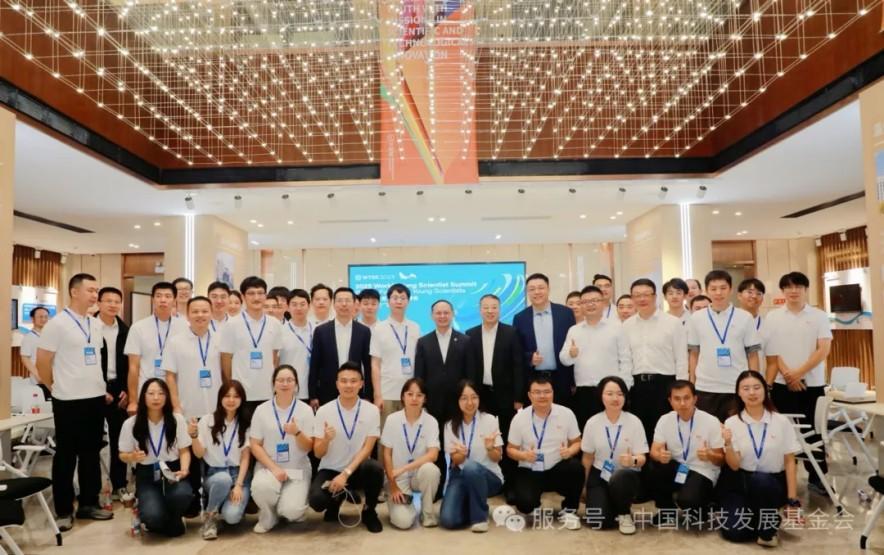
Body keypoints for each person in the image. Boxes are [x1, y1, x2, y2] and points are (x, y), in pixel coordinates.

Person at [37, 273, 114, 530]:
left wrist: (100, 388)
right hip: (68, 400)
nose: (95, 295)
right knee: (66, 456)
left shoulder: (94, 324)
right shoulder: (57, 324)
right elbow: (43, 361)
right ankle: (63, 509)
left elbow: (95, 361)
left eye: (96, 290)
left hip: (94, 398)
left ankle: (88, 503)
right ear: (74, 291)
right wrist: (53, 387)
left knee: (91, 453)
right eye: (90, 290)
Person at [765, 271, 832, 496]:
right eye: (789, 287)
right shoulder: (773, 317)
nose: (793, 291)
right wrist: (788, 375)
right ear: (782, 291)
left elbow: (823, 349)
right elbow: (771, 351)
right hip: (781, 383)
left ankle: (818, 478)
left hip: (812, 384)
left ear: (805, 290)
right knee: (780, 432)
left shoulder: (819, 316)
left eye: (798, 287)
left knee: (814, 431)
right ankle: (782, 478)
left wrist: (799, 373)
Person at [720, 370, 801, 547]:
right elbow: (734, 466)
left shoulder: (781, 421)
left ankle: (767, 526)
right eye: (746, 388)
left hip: (772, 483)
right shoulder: (732, 423)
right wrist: (728, 444)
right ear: (739, 393)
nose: (752, 393)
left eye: (757, 387)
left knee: (761, 481)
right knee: (734, 532)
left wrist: (792, 500)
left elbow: (790, 462)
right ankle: (762, 518)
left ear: (765, 390)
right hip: (742, 482)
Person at [309, 362, 385, 533]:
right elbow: (318, 453)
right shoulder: (324, 411)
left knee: (374, 468)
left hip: (357, 470)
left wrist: (345, 474)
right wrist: (326, 439)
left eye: (353, 381)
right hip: (331, 469)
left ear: (361, 384)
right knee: (317, 501)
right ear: (337, 384)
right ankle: (337, 498)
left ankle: (369, 511)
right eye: (343, 381)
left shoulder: (371, 411)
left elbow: (367, 448)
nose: (348, 385)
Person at [164, 296, 223, 514]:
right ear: (187, 315)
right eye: (195, 311)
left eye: (204, 311)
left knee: (213, 456)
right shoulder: (176, 342)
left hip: (215, 410)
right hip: (188, 410)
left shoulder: (220, 339)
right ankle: (192, 502)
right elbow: (170, 376)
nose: (200, 315)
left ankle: (213, 501)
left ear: (211, 313)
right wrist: (176, 406)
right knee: (191, 457)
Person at [506, 377, 583, 530]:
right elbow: (510, 449)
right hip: (530, 469)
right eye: (537, 392)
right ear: (529, 395)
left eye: (547, 392)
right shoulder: (519, 418)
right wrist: (523, 456)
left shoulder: (566, 413)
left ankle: (569, 511)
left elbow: (578, 442)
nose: (542, 396)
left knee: (576, 468)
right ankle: (532, 503)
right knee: (525, 504)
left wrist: (570, 451)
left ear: (553, 393)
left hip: (557, 468)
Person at [118, 378, 192, 537]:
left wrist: (184, 469)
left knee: (183, 495)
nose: (156, 398)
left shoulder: (177, 419)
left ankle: (173, 517)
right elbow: (122, 455)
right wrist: (132, 456)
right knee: (153, 518)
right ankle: (151, 514)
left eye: (161, 393)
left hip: (173, 471)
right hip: (146, 473)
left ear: (167, 397)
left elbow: (184, 450)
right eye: (151, 393)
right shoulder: (131, 423)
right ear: (143, 397)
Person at [465, 294, 523, 492]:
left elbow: (518, 366)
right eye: (486, 307)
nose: (490, 311)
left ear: (499, 309)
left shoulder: (511, 333)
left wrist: (518, 397)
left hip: (505, 394)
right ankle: (484, 478)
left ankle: (509, 484)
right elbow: (469, 368)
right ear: (480, 309)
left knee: (506, 436)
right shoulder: (470, 334)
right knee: (482, 436)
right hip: (480, 395)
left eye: (494, 307)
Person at [688, 270, 761, 422]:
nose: (718, 293)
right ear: (706, 290)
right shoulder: (696, 318)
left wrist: (752, 385)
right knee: (707, 432)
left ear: (731, 289)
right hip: (705, 387)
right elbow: (694, 354)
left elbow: (752, 355)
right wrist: (692, 384)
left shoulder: (745, 317)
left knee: (736, 432)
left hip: (736, 386)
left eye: (723, 288)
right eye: (713, 289)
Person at [249, 365, 315, 533]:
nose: (285, 384)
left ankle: (287, 507)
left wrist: (297, 432)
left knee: (291, 511)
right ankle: (268, 515)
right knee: (261, 488)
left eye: (289, 380)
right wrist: (274, 468)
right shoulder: (261, 410)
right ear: (273, 384)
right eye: (280, 380)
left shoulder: (306, 410)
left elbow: (309, 446)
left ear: (296, 385)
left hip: (297, 468)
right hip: (269, 467)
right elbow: (255, 444)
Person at [649, 380, 724, 526]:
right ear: (670, 401)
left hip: (702, 471)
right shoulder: (665, 420)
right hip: (678, 467)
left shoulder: (711, 421)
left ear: (695, 399)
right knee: (654, 468)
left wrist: (710, 455)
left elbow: (721, 459)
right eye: (677, 399)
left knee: (689, 501)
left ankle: (704, 507)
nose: (682, 403)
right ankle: (667, 510)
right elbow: (654, 451)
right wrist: (660, 455)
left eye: (686, 398)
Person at [620, 278, 688, 443]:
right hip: (637, 386)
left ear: (655, 296)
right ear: (632, 298)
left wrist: (681, 388)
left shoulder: (672, 323)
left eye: (646, 294)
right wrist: (625, 388)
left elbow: (681, 358)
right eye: (637, 295)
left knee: (666, 432)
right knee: (640, 432)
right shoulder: (627, 325)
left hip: (665, 384)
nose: (642, 299)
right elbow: (626, 359)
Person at [581, 376, 648, 534]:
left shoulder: (634, 422)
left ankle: (624, 513)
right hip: (600, 473)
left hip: (625, 474)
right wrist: (583, 485)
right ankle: (611, 506)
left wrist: (633, 460)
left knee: (621, 477)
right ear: (601, 396)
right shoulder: (592, 422)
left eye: (620, 394)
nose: (615, 398)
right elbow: (588, 457)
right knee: (598, 520)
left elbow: (643, 458)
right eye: (609, 394)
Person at [559, 285, 632, 429]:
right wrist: (571, 354)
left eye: (595, 300)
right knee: (586, 430)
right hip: (583, 390)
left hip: (610, 391)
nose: (590, 304)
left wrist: (623, 388)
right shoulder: (574, 330)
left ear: (603, 303)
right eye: (585, 302)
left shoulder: (616, 328)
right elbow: (564, 359)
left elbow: (626, 360)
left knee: (612, 429)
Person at [191, 380, 252, 539]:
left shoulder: (245, 423)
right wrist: (194, 436)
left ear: (242, 399)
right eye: (227, 396)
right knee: (223, 479)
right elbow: (199, 454)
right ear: (220, 398)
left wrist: (238, 485)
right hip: (215, 475)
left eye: (236, 396)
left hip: (238, 476)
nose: (231, 400)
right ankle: (210, 517)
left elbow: (245, 457)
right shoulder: (207, 421)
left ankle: (228, 506)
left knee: (232, 517)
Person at [440, 380, 504, 532]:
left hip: (488, 477)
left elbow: (497, 457)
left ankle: (480, 518)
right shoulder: (449, 426)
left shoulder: (489, 420)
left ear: (479, 398)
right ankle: (470, 505)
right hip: (460, 476)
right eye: (464, 398)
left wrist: (490, 448)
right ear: (457, 401)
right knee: (448, 520)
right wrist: (460, 455)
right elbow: (456, 461)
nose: (470, 402)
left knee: (471, 468)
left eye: (474, 397)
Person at [380, 378, 441, 529]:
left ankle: (427, 513)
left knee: (431, 470)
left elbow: (433, 455)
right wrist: (393, 486)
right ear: (403, 396)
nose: (414, 398)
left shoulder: (431, 421)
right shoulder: (392, 420)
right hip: (397, 479)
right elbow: (386, 454)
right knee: (404, 522)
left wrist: (404, 468)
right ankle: (404, 506)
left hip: (418, 475)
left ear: (425, 399)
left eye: (419, 395)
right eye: (410, 394)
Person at [219, 276, 284, 415]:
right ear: (243, 296)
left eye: (260, 293)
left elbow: (274, 358)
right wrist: (232, 385)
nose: (256, 297)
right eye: (251, 293)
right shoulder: (232, 324)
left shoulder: (275, 324)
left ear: (266, 296)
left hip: (267, 391)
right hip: (241, 393)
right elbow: (226, 358)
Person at [124, 282, 189, 414]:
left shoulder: (184, 327)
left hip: (176, 391)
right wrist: (133, 401)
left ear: (174, 300)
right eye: (159, 296)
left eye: (168, 296)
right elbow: (133, 367)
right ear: (152, 299)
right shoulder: (138, 328)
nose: (163, 300)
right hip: (147, 390)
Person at [512, 273, 576, 408]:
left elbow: (573, 346)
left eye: (541, 288)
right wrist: (530, 358)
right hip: (534, 380)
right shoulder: (520, 318)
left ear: (548, 289)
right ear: (527, 292)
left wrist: (573, 381)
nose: (537, 292)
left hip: (561, 378)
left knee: (562, 416)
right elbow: (516, 351)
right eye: (532, 289)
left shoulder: (565, 313)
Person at [309, 287, 373, 408]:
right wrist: (313, 394)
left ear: (354, 304)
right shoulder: (321, 331)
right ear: (334, 304)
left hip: (355, 388)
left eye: (348, 300)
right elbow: (314, 364)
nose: (344, 304)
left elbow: (368, 365)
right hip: (327, 390)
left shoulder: (364, 331)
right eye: (340, 300)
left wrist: (368, 394)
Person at [414, 299, 473, 426]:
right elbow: (419, 375)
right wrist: (421, 400)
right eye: (438, 313)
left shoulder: (465, 341)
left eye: (446, 313)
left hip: (458, 400)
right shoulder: (423, 342)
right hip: (432, 401)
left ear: (452, 314)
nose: (442, 316)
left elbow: (470, 373)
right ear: (432, 316)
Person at [96, 287, 130, 500]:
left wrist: (127, 389)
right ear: (99, 303)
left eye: (117, 301)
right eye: (108, 300)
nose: (113, 305)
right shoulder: (89, 327)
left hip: (120, 391)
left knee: (120, 439)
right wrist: (99, 389)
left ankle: (119, 484)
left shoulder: (126, 330)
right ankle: (91, 490)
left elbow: (131, 363)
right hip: (93, 390)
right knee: (91, 442)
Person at [370, 283, 421, 425]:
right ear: (388, 301)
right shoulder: (379, 328)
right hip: (387, 393)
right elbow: (375, 364)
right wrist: (377, 395)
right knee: (386, 434)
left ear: (408, 302)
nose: (399, 301)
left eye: (403, 298)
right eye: (395, 298)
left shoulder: (415, 327)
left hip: (411, 394)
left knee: (409, 433)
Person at [279, 289, 313, 403]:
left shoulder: (317, 330)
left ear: (309, 306)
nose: (299, 308)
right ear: (287, 307)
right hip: (288, 389)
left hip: (312, 390)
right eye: (294, 304)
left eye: (302, 304)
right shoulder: (280, 331)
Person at [19, 306, 50, 391]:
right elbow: (25, 358)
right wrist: (38, 376)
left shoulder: (49, 335)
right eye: (40, 317)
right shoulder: (29, 337)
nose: (44, 319)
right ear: (33, 319)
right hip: (40, 382)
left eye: (46, 317)